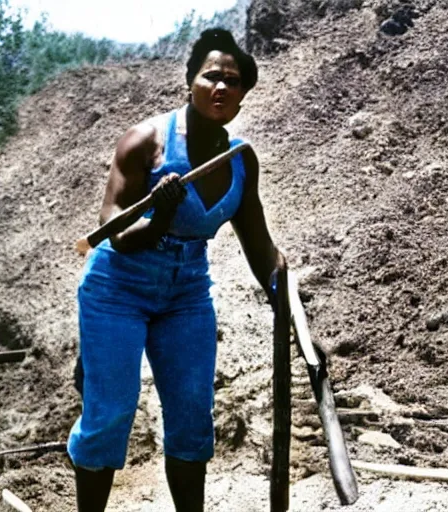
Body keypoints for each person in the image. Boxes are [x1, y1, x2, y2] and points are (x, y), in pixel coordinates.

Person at [68, 28, 284, 512]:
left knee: (191, 417)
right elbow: (115, 237)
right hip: (116, 288)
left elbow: (259, 245)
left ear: (244, 94)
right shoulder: (145, 141)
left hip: (186, 292)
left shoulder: (241, 160)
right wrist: (160, 214)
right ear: (191, 82)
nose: (221, 87)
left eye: (233, 80)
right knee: (111, 415)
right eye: (211, 76)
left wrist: (283, 297)